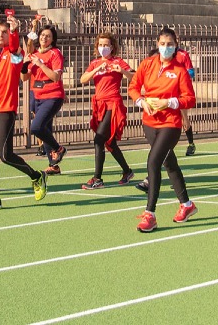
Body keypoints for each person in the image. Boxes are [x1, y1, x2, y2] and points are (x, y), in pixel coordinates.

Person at [0, 17, 47, 210]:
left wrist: (14, 31)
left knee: (5, 155)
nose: (1, 35)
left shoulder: (14, 54)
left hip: (5, 109)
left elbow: (15, 51)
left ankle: (36, 176)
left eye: (4, 32)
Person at [128, 27, 198, 232]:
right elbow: (133, 87)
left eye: (170, 44)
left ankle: (150, 214)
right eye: (162, 44)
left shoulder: (180, 71)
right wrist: (141, 101)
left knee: (153, 162)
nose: (166, 47)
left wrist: (170, 102)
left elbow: (190, 99)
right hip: (149, 122)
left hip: (170, 124)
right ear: (157, 44)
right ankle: (187, 204)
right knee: (170, 163)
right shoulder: (147, 64)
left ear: (176, 46)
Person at [78, 31, 135, 189]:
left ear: (112, 47)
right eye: (101, 45)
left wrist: (121, 71)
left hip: (113, 104)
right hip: (99, 105)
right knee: (110, 142)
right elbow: (83, 79)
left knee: (99, 139)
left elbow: (134, 76)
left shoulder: (118, 61)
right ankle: (127, 171)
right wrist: (96, 70)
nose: (103, 47)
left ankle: (97, 178)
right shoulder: (95, 63)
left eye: (106, 45)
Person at [25, 23, 68, 175]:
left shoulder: (55, 53)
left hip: (52, 95)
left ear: (52, 39)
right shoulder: (34, 54)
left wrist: (41, 64)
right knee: (46, 129)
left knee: (36, 127)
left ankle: (58, 149)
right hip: (37, 95)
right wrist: (24, 65)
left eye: (48, 36)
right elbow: (24, 77)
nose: (44, 38)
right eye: (42, 35)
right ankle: (53, 165)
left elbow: (56, 77)